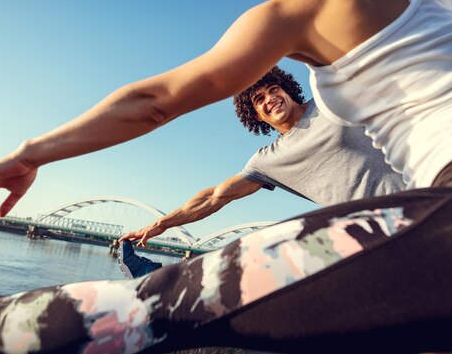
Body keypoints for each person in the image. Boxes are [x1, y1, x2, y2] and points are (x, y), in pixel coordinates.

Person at [0, 0, 452, 353]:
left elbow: (154, 102)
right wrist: (162, 224)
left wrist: (29, 152)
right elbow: (214, 195)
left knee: (154, 307)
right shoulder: (438, 0)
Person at [118, 66, 404, 278]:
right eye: (259, 98)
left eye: (273, 89)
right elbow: (215, 197)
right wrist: (162, 224)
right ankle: (159, 278)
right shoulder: (268, 161)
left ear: (286, 89)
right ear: (256, 115)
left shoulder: (327, 103)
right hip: (370, 235)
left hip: (421, 199)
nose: (270, 98)